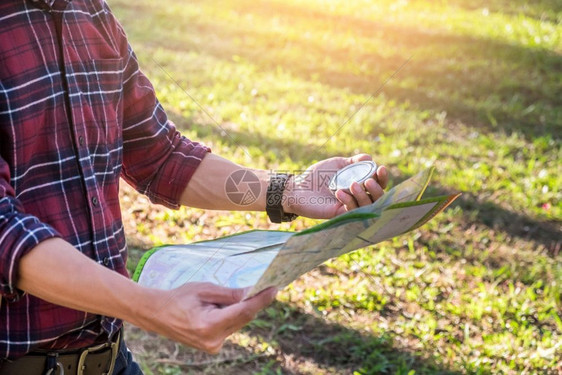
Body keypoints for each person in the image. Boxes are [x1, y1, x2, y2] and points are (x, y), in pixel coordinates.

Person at [0, 0, 388, 373]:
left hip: (108, 358)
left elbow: (161, 155)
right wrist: (150, 307)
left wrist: (289, 190)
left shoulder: (90, 11)